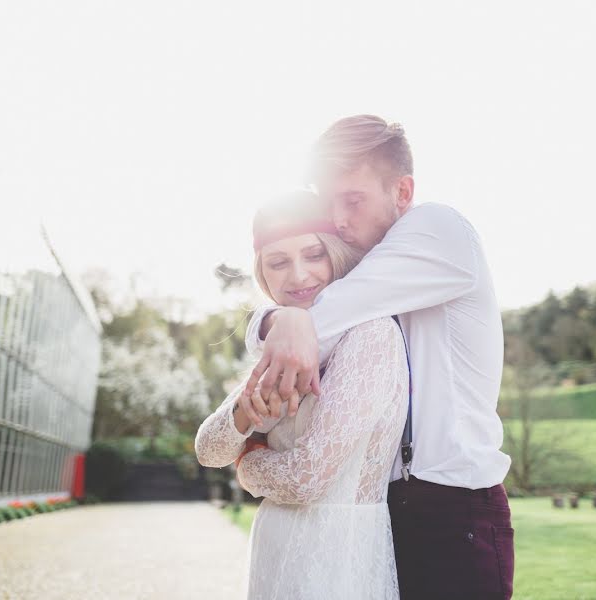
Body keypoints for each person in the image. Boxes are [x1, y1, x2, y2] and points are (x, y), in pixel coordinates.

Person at [239, 115, 515, 599]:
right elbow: (302, 315)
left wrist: (277, 321)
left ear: (402, 191)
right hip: (387, 511)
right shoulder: (370, 266)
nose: (339, 220)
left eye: (353, 200)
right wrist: (270, 319)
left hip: (454, 510)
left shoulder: (439, 231)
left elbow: (316, 318)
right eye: (329, 203)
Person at [194, 190, 410, 599]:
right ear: (263, 273)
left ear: (337, 254)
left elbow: (305, 481)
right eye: (278, 262)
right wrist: (244, 410)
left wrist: (248, 465)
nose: (297, 276)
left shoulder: (372, 335)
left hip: (339, 550)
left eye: (314, 254)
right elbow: (208, 450)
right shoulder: (282, 345)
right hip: (275, 547)